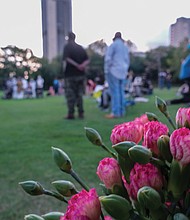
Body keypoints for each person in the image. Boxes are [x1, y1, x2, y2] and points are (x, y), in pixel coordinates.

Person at [62, 32, 89, 119]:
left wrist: (77, 65)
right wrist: (82, 66)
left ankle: (71, 113)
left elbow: (66, 59)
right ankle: (81, 113)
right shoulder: (80, 48)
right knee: (80, 94)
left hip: (70, 75)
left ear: (68, 38)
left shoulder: (67, 47)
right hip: (81, 75)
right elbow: (87, 60)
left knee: (70, 95)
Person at [104, 32, 130, 118]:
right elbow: (127, 61)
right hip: (123, 71)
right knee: (121, 91)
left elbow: (108, 58)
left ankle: (115, 112)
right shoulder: (125, 47)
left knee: (114, 92)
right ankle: (122, 111)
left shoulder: (113, 45)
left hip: (113, 71)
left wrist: (107, 69)